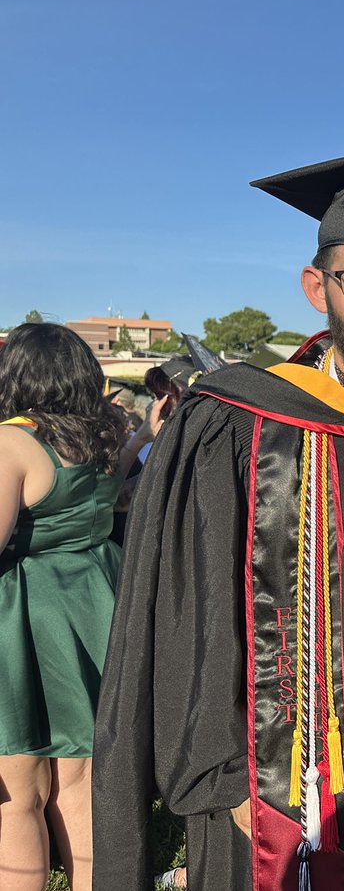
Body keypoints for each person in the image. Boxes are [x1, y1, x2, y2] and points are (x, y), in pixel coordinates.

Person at [92, 146, 344, 891]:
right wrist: (221, 778)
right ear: (317, 286)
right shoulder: (239, 422)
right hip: (285, 796)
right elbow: (191, 612)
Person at [0, 323, 155, 891]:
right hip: (94, 603)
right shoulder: (107, 433)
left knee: (18, 793)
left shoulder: (12, 442)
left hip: (24, 616)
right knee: (82, 782)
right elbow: (117, 501)